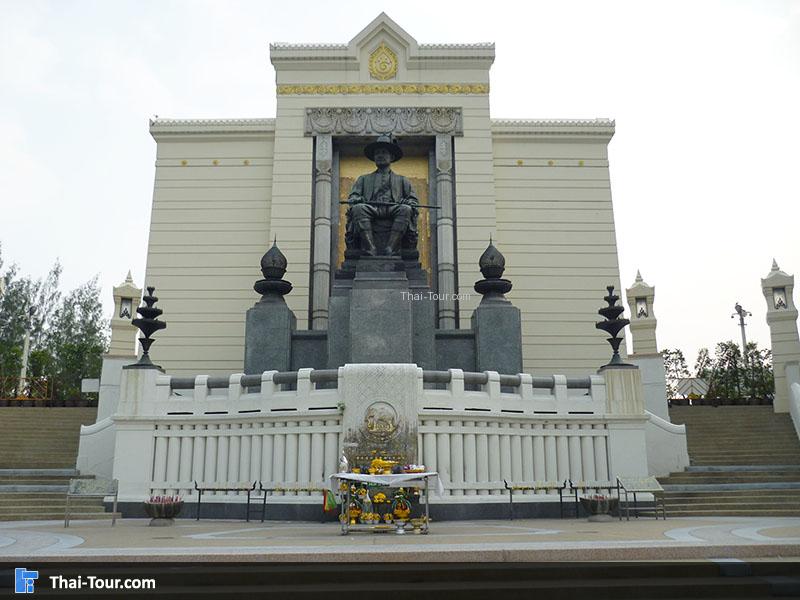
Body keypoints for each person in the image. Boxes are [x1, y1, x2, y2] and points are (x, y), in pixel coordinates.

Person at [346, 134, 419, 256]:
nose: (380, 155)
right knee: (358, 208)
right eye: (377, 153)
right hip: (371, 208)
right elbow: (353, 196)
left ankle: (391, 248)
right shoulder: (363, 179)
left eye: (384, 152)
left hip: (393, 208)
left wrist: (409, 202)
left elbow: (413, 199)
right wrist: (357, 200)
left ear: (392, 157)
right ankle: (370, 248)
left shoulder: (402, 180)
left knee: (406, 209)